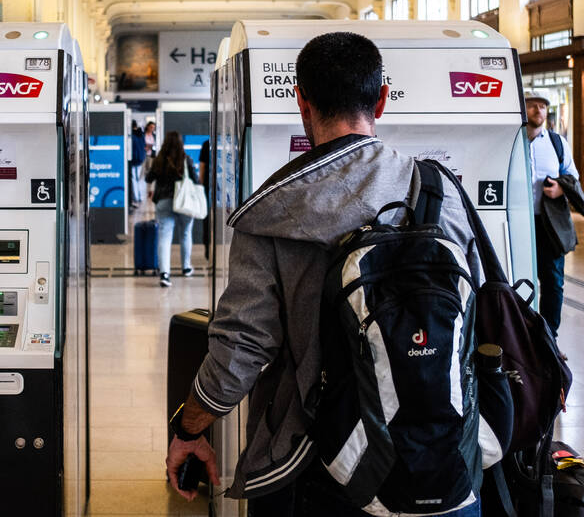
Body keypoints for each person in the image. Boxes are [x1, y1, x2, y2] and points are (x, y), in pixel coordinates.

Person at [165, 32, 484, 515]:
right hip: (441, 458)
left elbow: (243, 346)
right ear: (381, 98)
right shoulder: (438, 190)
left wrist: (189, 429)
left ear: (302, 102)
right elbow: (480, 307)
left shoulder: (272, 211)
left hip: (314, 461)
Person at [527, 94, 581, 337]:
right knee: (520, 279)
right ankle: (522, 335)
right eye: (533, 106)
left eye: (542, 107)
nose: (538, 111)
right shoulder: (511, 141)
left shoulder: (556, 143)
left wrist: (560, 188)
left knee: (552, 281)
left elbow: (572, 175)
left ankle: (549, 337)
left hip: (549, 224)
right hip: (518, 223)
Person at [145, 131, 198, 287]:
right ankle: (186, 267)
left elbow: (148, 178)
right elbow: (195, 180)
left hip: (164, 201)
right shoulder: (186, 159)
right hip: (185, 202)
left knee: (164, 237)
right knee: (186, 234)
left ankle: (165, 274)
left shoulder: (159, 160)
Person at [130, 122, 147, 208]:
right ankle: (141, 197)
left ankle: (136, 197)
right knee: (139, 179)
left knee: (134, 179)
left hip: (134, 160)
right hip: (141, 159)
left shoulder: (131, 136)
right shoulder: (142, 135)